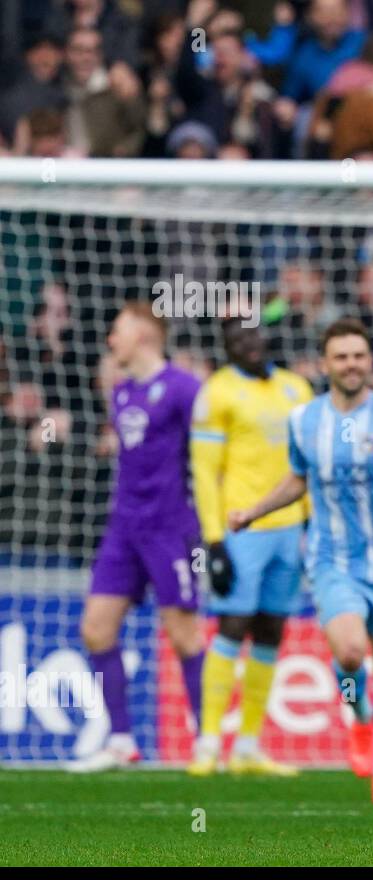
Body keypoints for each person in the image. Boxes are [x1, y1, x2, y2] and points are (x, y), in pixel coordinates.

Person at [229, 319, 373, 806]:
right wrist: (253, 512)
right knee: (347, 653)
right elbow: (298, 480)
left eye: (359, 356)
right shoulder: (304, 421)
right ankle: (358, 717)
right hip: (331, 560)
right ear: (325, 365)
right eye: (341, 357)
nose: (351, 364)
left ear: (370, 362)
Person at [68, 303, 205, 772]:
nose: (111, 341)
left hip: (170, 529)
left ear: (144, 335)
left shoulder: (186, 390)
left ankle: (207, 739)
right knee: (96, 628)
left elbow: (206, 459)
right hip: (123, 529)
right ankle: (121, 739)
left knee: (184, 636)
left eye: (117, 331)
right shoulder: (122, 392)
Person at [187, 319, 314, 776]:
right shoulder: (216, 393)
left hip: (290, 529)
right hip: (241, 530)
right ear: (226, 348)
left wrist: (311, 521)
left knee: (270, 629)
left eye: (253, 335)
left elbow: (310, 463)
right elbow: (204, 472)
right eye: (237, 340)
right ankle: (206, 743)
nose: (249, 344)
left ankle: (247, 747)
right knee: (232, 624)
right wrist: (214, 539)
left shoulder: (296, 389)